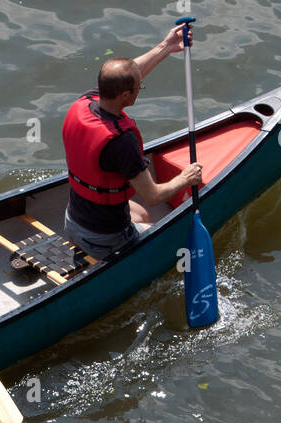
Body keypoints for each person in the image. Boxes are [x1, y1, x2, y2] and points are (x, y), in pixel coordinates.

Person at [62, 25, 204, 259]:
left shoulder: (86, 102)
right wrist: (185, 178)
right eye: (139, 87)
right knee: (162, 233)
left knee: (142, 215)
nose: (140, 89)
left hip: (73, 220)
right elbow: (154, 196)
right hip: (104, 239)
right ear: (125, 95)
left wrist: (165, 47)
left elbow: (130, 72)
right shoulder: (121, 141)